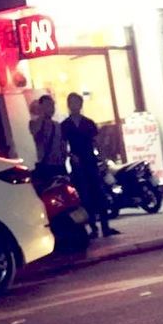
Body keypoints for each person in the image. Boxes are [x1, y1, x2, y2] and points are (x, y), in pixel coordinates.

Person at [61, 93, 118, 238]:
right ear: (69, 105)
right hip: (77, 164)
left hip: (90, 161)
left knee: (99, 193)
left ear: (81, 105)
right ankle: (93, 227)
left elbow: (97, 142)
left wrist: (102, 159)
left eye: (77, 102)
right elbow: (63, 146)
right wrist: (70, 156)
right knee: (84, 197)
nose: (75, 105)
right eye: (72, 103)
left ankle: (105, 226)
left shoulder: (88, 123)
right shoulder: (65, 125)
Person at [28, 94, 67, 187]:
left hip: (59, 165)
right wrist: (41, 113)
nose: (51, 108)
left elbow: (62, 143)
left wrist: (63, 156)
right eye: (47, 105)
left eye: (52, 105)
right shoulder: (34, 123)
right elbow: (34, 130)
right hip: (46, 166)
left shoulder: (57, 125)